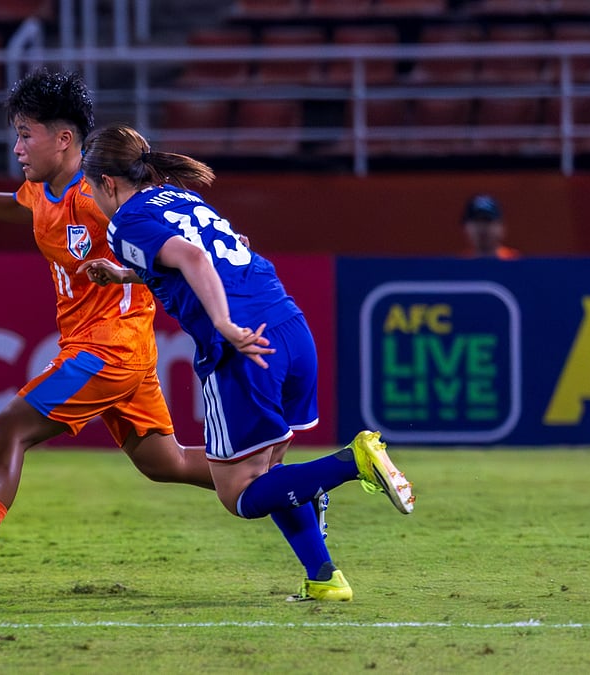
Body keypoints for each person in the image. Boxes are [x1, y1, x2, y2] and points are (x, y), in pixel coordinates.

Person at [0, 70, 215, 596]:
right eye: (16, 133)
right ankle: (286, 487)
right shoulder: (43, 189)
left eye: (25, 133)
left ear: (64, 139)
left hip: (109, 347)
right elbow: (20, 208)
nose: (17, 146)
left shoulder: (101, 196)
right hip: (119, 350)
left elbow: (170, 234)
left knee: (8, 428)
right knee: (164, 462)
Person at [77, 122, 415, 601]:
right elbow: (234, 249)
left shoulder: (125, 220)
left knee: (238, 493)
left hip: (242, 346)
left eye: (91, 188)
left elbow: (194, 260)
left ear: (107, 182)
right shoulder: (180, 198)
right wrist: (128, 274)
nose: (93, 197)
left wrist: (224, 324)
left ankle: (351, 461)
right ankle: (324, 578)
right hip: (289, 328)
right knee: (271, 476)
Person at [461, 194, 520, 259]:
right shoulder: (460, 264)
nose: (482, 227)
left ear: (501, 227)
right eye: (476, 222)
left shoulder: (514, 261)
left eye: (488, 220)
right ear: (465, 227)